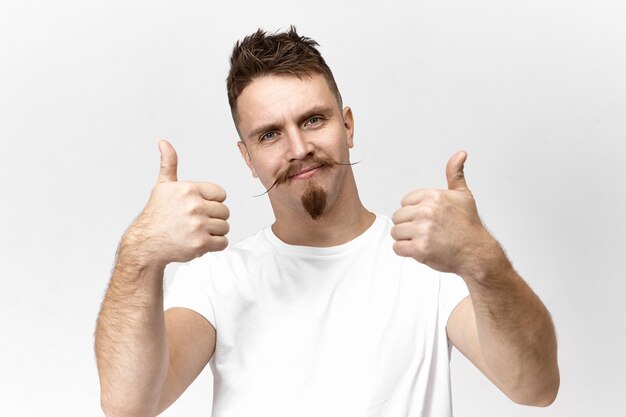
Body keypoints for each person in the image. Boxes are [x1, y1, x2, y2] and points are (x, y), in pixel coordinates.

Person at [95, 27, 559, 417]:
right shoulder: (217, 278)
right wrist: (141, 253)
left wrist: (482, 260)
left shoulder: (430, 266)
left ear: (348, 126)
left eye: (313, 120)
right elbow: (129, 406)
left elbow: (535, 387)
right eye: (270, 134)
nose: (298, 148)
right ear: (248, 158)